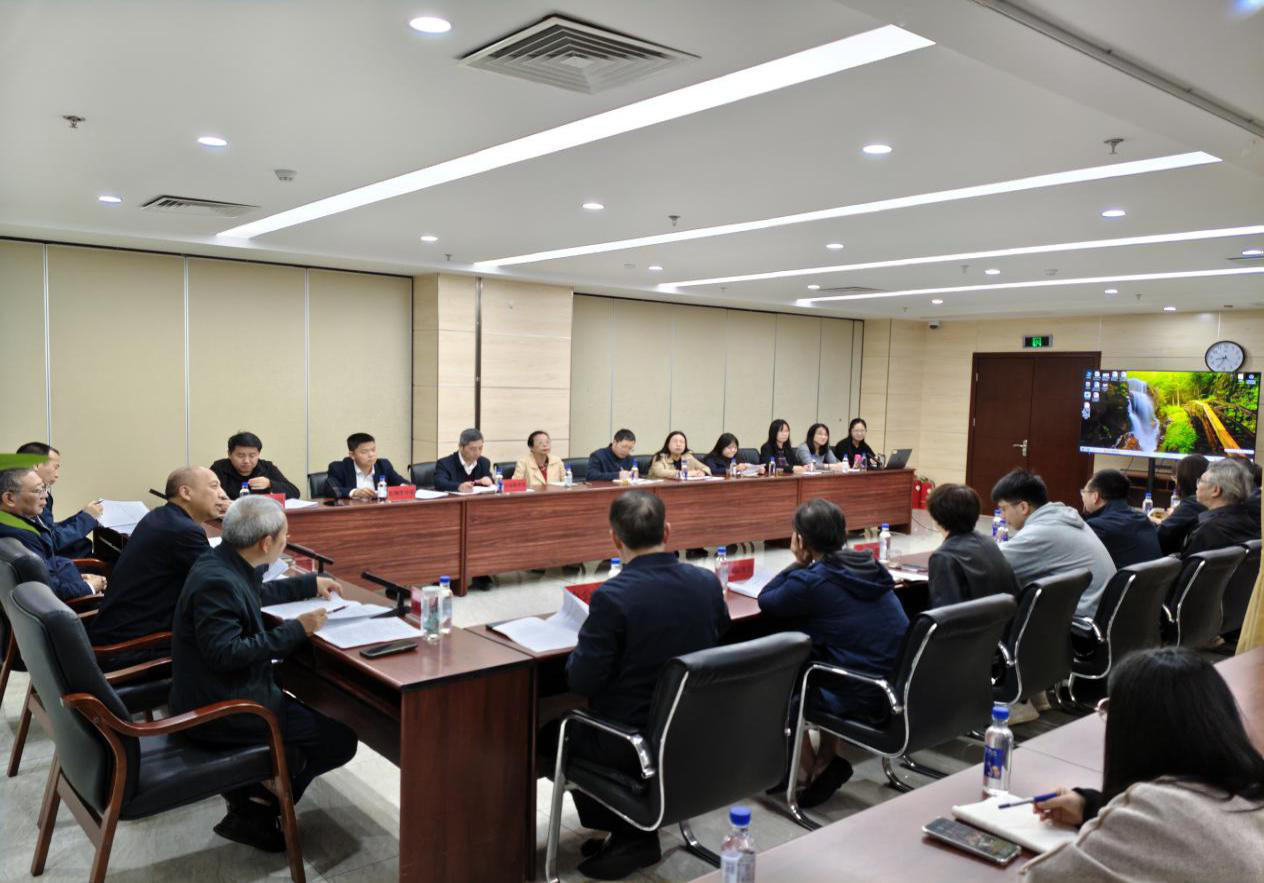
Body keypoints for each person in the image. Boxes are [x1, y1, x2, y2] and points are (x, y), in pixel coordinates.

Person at [547, 492, 730, 878]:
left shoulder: (613, 597)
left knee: (552, 736)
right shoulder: (706, 582)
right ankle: (631, 826)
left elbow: (582, 679)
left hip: (632, 742)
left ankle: (631, 830)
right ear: (668, 532)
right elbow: (721, 639)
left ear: (615, 539)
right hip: (696, 730)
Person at [169, 496, 355, 853]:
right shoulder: (217, 582)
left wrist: (308, 584)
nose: (287, 540)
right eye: (285, 535)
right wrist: (297, 629)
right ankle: (257, 805)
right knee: (338, 739)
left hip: (218, 691)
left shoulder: (223, 562)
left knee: (315, 713)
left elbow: (253, 593)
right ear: (266, 543)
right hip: (223, 709)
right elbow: (226, 654)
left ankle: (253, 790)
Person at [1020, 647, 1264, 881]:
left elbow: (1042, 876)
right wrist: (1091, 807)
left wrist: (1116, 818)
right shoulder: (1248, 789)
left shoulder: (1154, 806)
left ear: (1136, 732)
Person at [758, 499, 908, 808]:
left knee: (780, 679)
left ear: (800, 540)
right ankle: (826, 760)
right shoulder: (870, 566)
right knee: (823, 653)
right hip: (894, 684)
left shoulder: (812, 580)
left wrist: (799, 562)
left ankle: (802, 771)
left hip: (858, 691)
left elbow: (767, 600)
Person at [89, 466, 227, 658]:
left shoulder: (161, 516)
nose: (223, 494)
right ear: (186, 492)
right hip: (132, 648)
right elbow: (225, 582)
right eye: (214, 486)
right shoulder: (183, 530)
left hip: (117, 633)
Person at [992, 469, 1115, 618]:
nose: (1002, 516)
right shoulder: (1061, 517)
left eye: (1003, 509)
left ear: (1023, 507)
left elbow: (990, 564)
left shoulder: (1040, 531)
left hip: (1078, 622)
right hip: (1098, 614)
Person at [0, 466, 100, 600]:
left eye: (44, 488)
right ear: (9, 498)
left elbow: (45, 571)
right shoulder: (22, 536)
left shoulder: (14, 524)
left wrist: (77, 579)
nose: (45, 495)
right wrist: (89, 586)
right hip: (72, 606)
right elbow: (49, 594)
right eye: (38, 490)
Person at [926, 483, 1020, 608]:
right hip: (1005, 617)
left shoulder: (943, 557)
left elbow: (946, 612)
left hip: (977, 619)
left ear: (935, 516)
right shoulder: (989, 542)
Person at [16, 442, 101, 557]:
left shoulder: (38, 495)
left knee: (84, 544)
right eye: (55, 467)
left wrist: (84, 515)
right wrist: (87, 518)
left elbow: (49, 529)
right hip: (49, 561)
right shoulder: (25, 497)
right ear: (36, 465)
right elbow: (51, 542)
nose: (57, 475)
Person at [1080, 469, 1162, 569]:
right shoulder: (1143, 518)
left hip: (1123, 578)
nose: (1082, 496)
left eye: (1084, 492)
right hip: (1155, 578)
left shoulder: (1097, 527)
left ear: (1095, 496)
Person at [1183, 458, 1259, 557]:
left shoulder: (1207, 532)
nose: (1197, 485)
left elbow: (1188, 566)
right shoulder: (1250, 523)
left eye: (1200, 481)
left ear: (1216, 490)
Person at [210, 431, 301, 500]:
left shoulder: (266, 467)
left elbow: (295, 493)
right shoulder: (219, 468)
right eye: (240, 456)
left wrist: (270, 484)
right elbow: (207, 496)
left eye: (252, 456)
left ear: (258, 454)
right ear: (229, 454)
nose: (246, 461)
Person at [1150, 455, 1208, 555]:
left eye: (1176, 478)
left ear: (1184, 479)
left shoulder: (1192, 503)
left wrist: (1148, 521)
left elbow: (1161, 535)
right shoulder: (1205, 502)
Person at [325, 432, 408, 499]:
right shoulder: (339, 468)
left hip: (380, 511)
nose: (371, 455)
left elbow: (403, 483)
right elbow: (332, 490)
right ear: (352, 455)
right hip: (352, 512)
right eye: (364, 452)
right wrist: (355, 492)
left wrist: (404, 487)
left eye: (373, 450)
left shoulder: (383, 465)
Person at [434, 428, 495, 492]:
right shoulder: (445, 463)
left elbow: (490, 478)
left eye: (480, 448)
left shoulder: (484, 462)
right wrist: (459, 486)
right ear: (461, 447)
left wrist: (489, 480)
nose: (477, 453)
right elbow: (440, 483)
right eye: (473, 449)